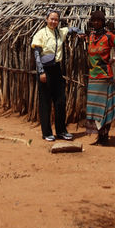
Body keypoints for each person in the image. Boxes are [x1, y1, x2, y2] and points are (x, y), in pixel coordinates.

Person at [31, 10, 78, 142]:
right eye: (51, 19)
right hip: (45, 70)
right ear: (46, 19)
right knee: (45, 102)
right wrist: (41, 72)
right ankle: (46, 133)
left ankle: (61, 131)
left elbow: (70, 29)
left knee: (60, 101)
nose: (53, 21)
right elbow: (36, 54)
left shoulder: (60, 32)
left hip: (57, 69)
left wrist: (78, 32)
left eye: (56, 19)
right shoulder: (41, 34)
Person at [85, 9, 115, 145]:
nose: (96, 22)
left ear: (103, 22)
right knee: (94, 108)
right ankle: (100, 136)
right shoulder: (91, 36)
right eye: (94, 20)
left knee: (104, 108)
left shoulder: (109, 36)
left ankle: (105, 137)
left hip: (105, 77)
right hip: (93, 77)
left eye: (99, 20)